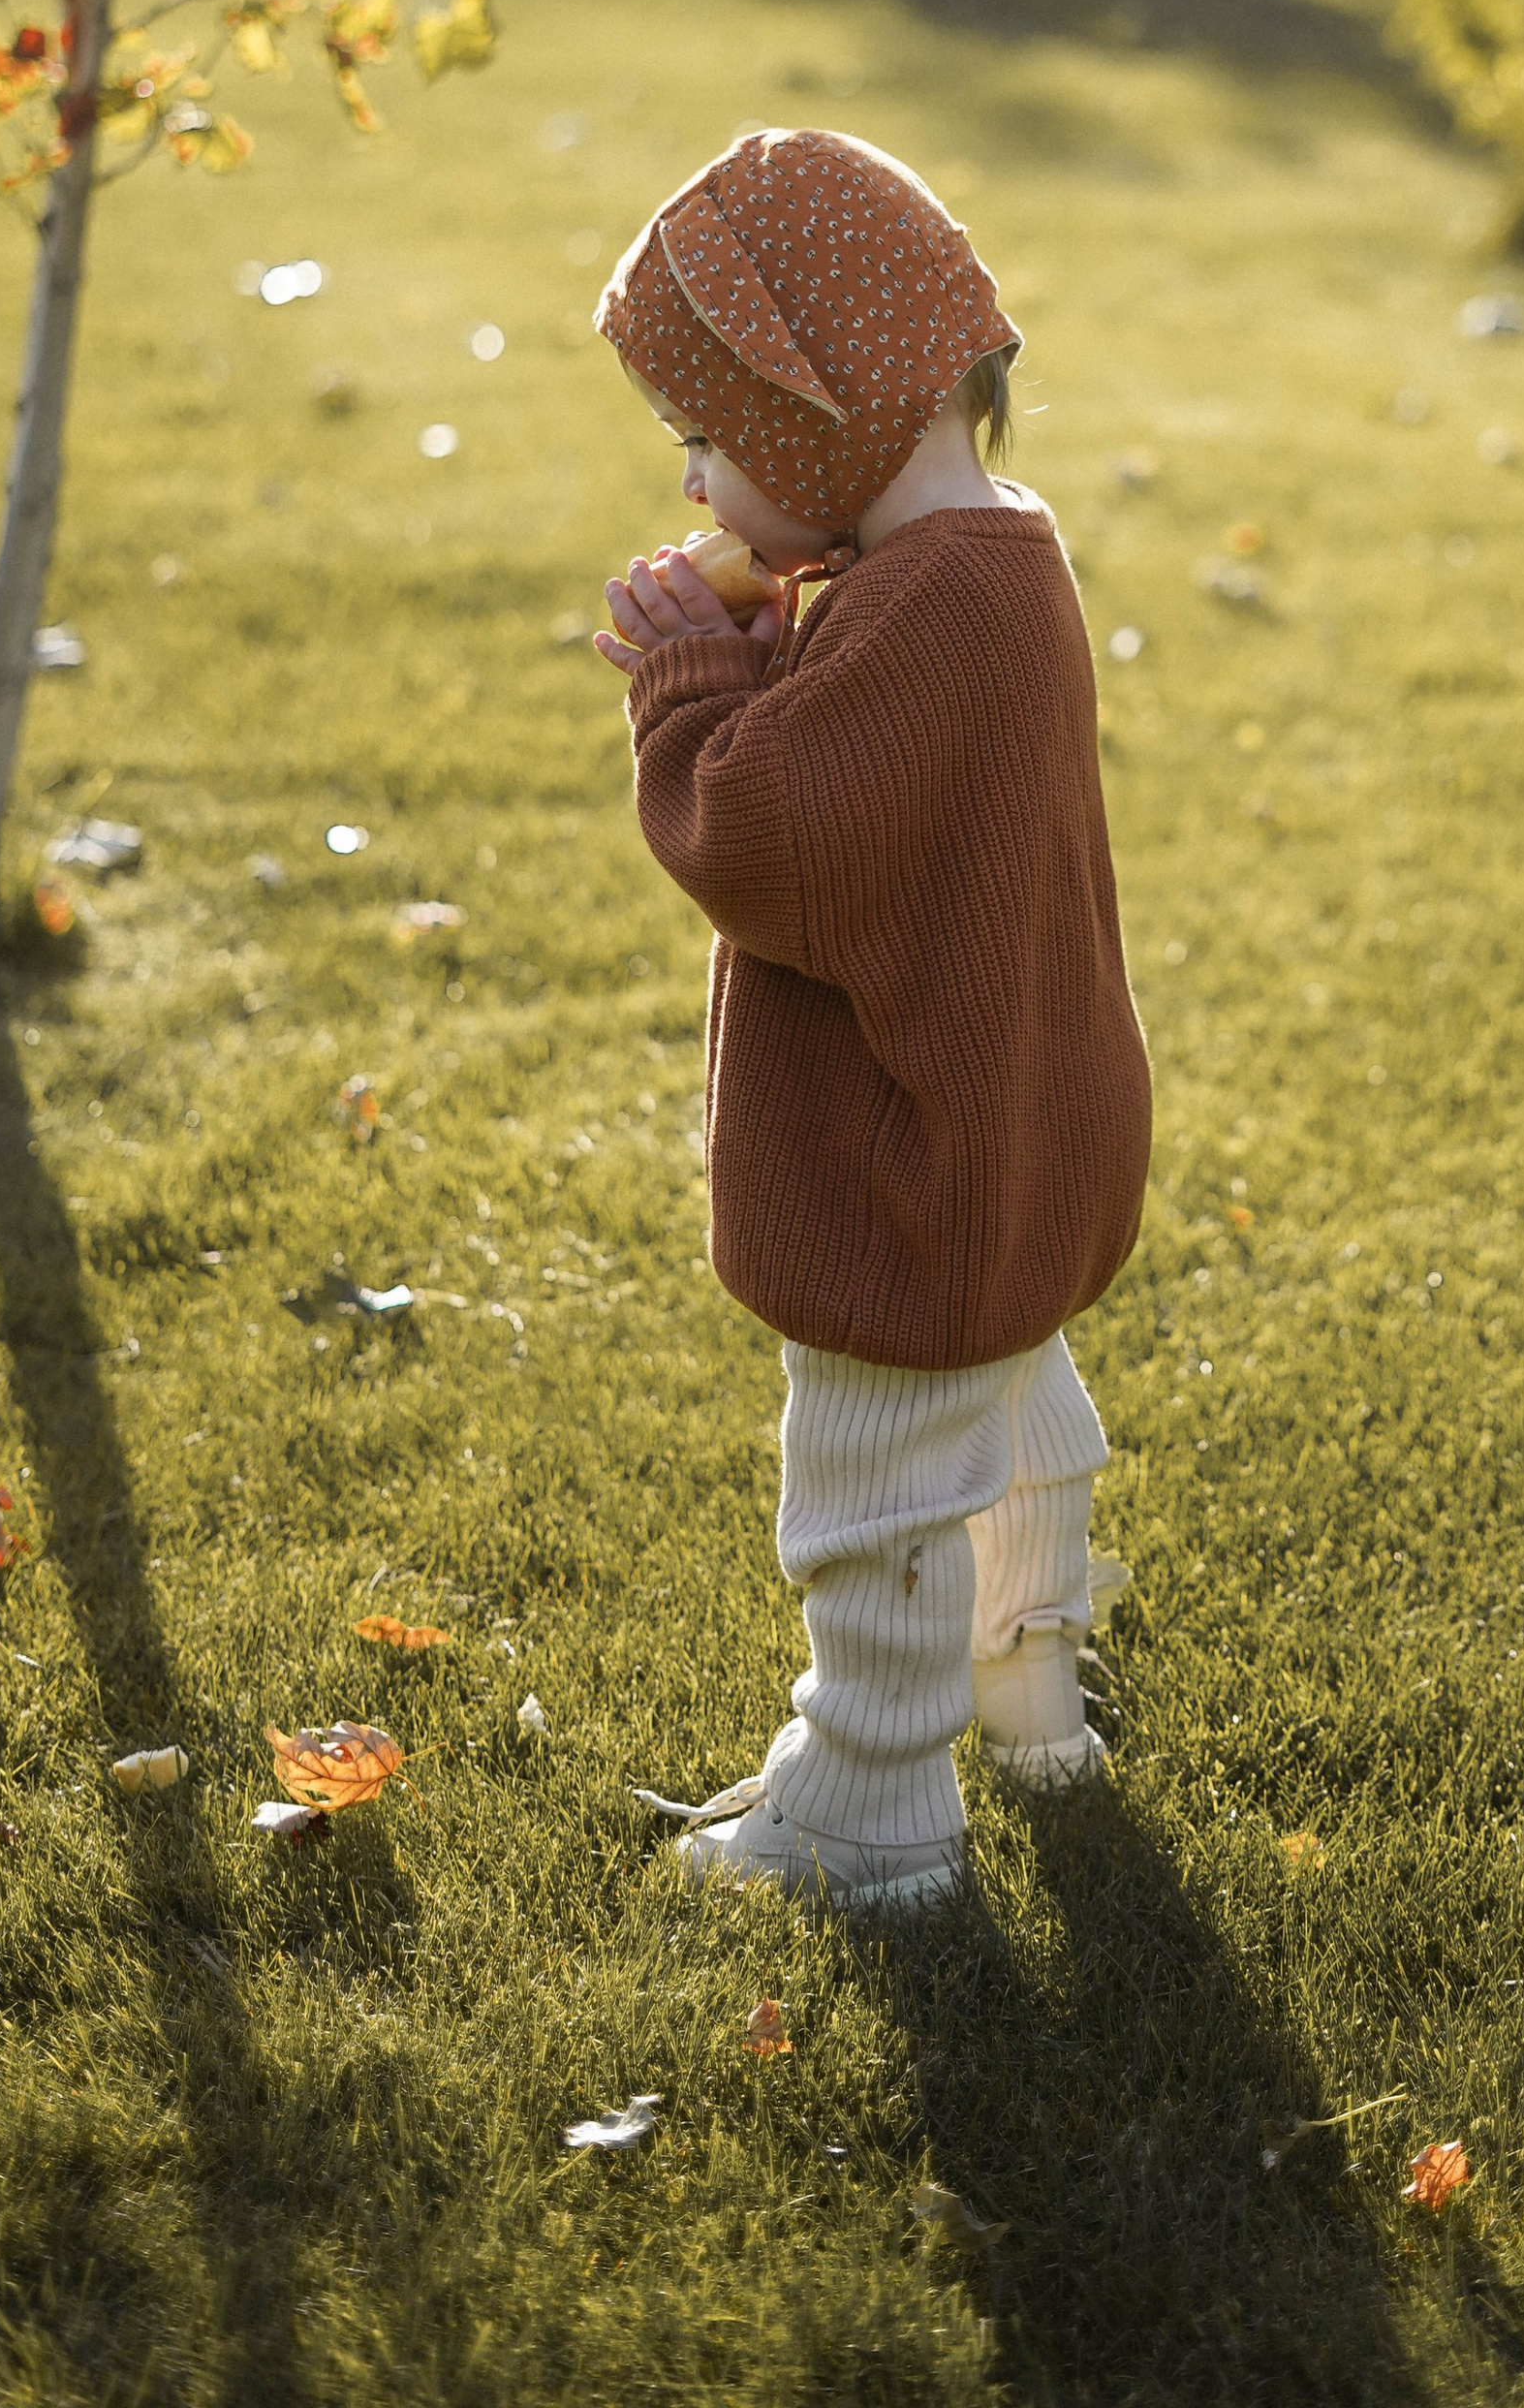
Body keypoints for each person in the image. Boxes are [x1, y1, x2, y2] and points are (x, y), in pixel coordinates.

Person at [591, 128, 1151, 1911]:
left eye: (708, 437)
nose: (692, 485)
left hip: (910, 1157)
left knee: (878, 1477)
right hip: (1021, 1124)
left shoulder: (929, 607)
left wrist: (690, 687)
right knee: (1013, 1412)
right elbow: (884, 808)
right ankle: (1028, 1692)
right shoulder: (988, 561)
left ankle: (870, 1814)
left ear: (820, 409)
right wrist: (768, 659)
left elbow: (764, 846)